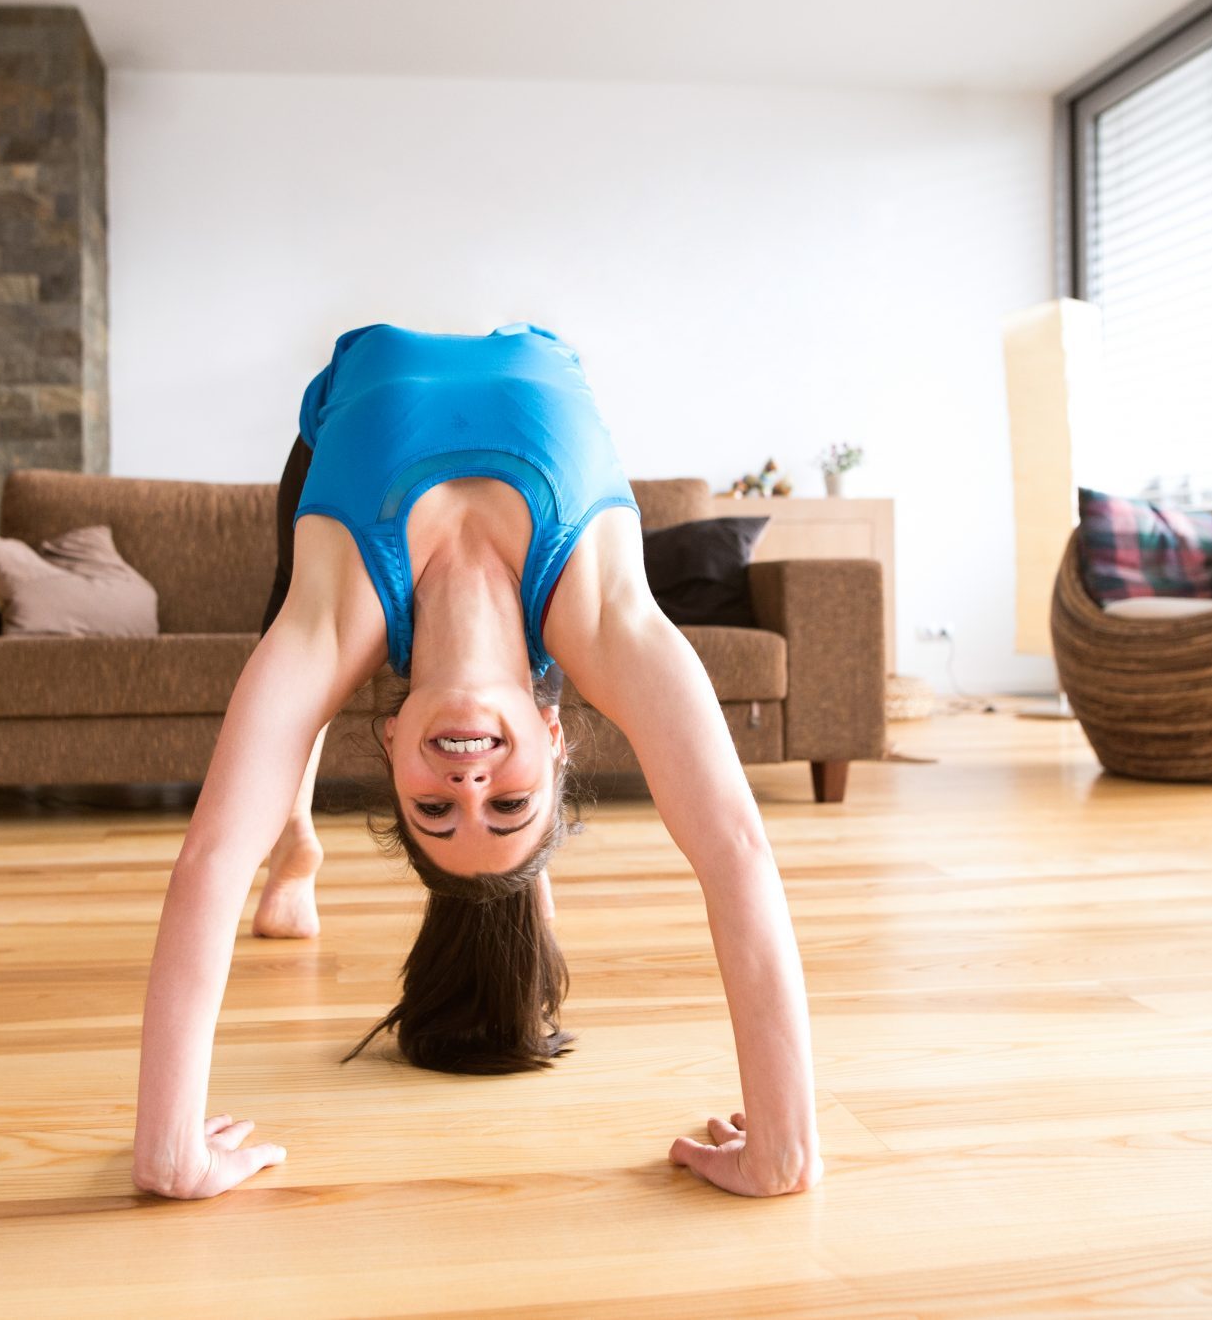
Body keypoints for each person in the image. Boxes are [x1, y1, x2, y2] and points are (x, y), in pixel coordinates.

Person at [130, 322, 822, 1200]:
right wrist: (785, 1149)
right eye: (508, 805)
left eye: (435, 811)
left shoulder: (332, 619)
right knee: (318, 731)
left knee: (282, 688)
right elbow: (736, 851)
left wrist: (167, 1150)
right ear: (554, 731)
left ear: (387, 748)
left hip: (336, 444)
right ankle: (364, 847)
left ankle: (298, 837)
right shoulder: (607, 620)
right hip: (535, 386)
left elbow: (210, 857)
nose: (467, 786)